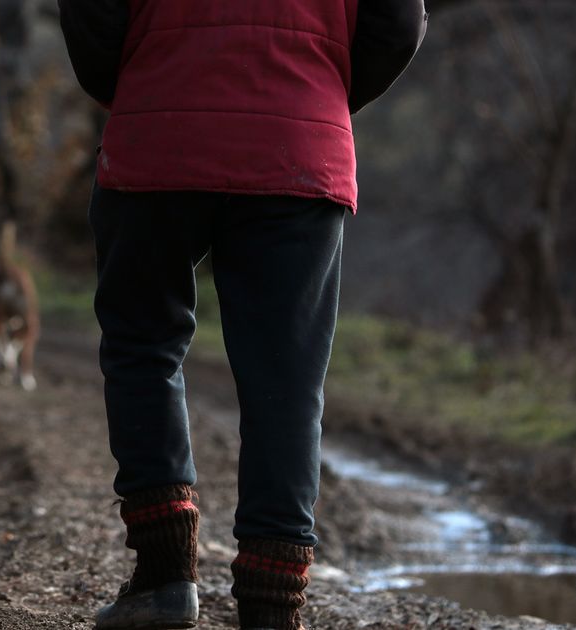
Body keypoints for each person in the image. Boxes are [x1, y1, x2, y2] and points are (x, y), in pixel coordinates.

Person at [57, 1, 427, 629]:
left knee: (144, 345)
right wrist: (316, 91)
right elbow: (396, 24)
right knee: (286, 381)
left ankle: (164, 577)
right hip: (300, 140)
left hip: (160, 126)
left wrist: (145, 84)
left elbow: (92, 16)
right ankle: (272, 608)